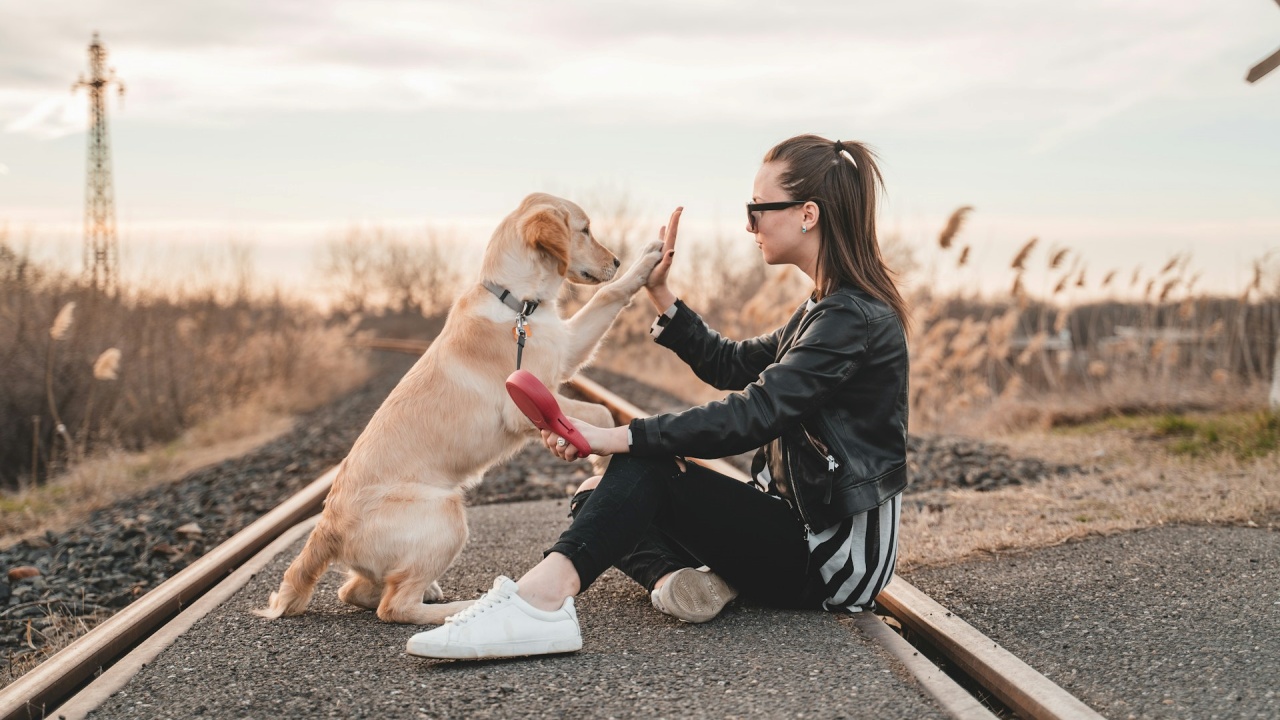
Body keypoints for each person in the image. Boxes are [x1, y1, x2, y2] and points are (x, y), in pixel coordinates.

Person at [406, 134, 911, 660]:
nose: (749, 225)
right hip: (792, 526)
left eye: (757, 209)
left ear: (807, 214)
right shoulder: (824, 309)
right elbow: (731, 364)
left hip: (831, 557)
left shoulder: (851, 318)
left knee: (640, 470)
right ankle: (684, 581)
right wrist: (660, 293)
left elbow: (754, 413)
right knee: (596, 497)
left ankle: (539, 603)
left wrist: (619, 436)